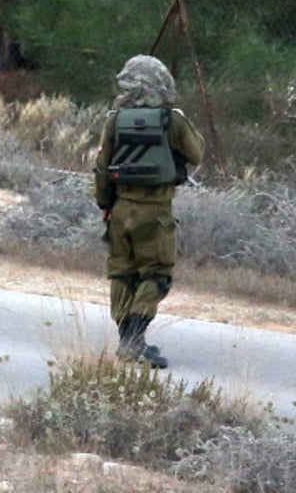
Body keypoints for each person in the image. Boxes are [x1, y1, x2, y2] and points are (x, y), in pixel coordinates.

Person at [94, 54, 204, 369]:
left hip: (120, 210)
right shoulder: (172, 120)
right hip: (155, 212)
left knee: (122, 273)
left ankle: (129, 340)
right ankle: (133, 340)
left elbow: (102, 168)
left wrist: (105, 205)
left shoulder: (115, 119)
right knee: (156, 275)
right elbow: (196, 153)